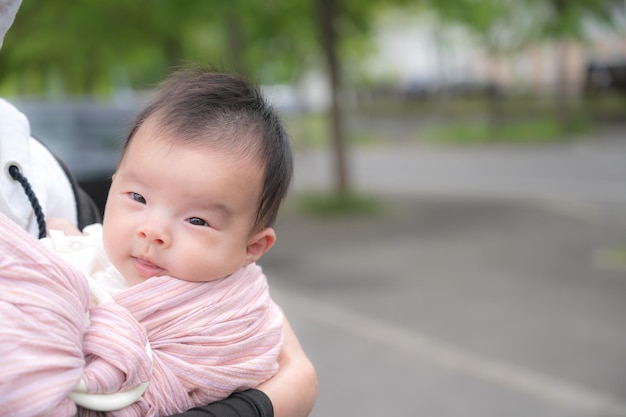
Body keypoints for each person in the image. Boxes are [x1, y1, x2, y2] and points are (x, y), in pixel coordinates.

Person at [0, 2, 317, 416]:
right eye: (137, 198)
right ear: (114, 184)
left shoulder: (227, 320)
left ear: (252, 248)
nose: (153, 231)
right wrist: (68, 245)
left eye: (197, 220)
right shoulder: (116, 250)